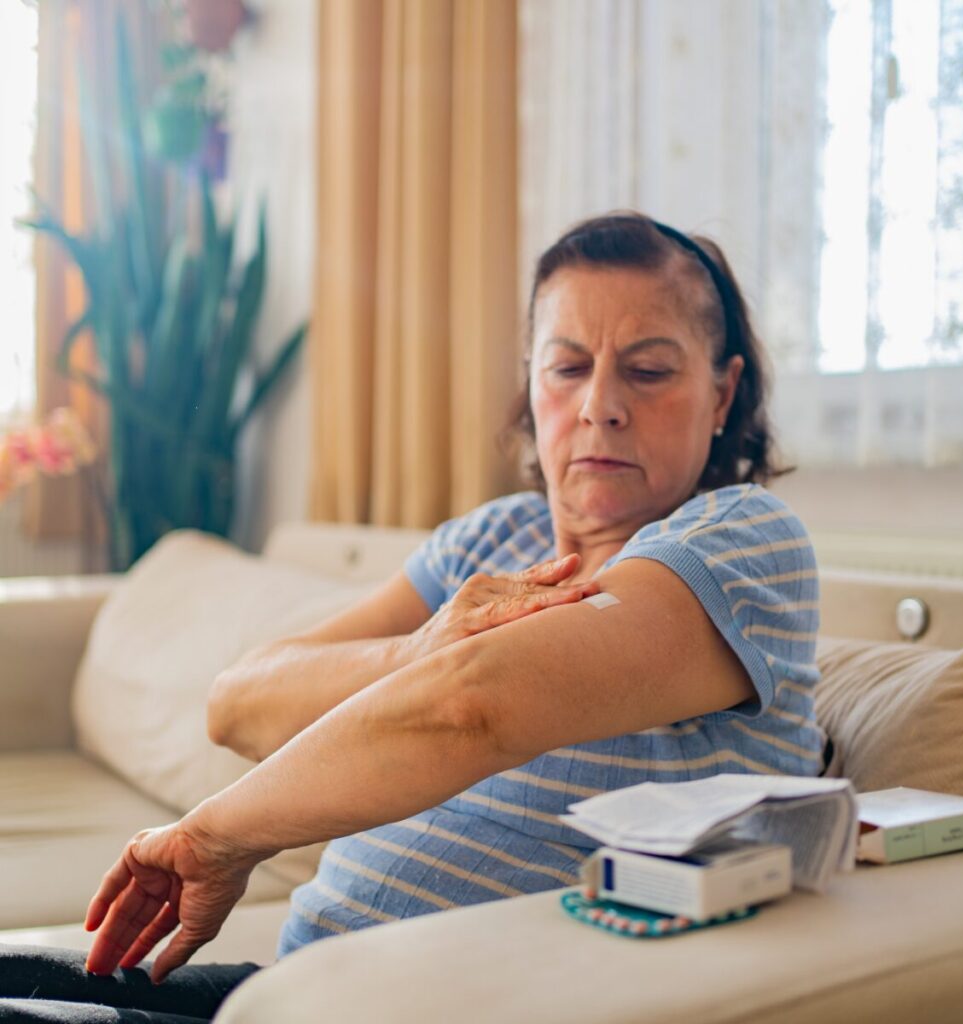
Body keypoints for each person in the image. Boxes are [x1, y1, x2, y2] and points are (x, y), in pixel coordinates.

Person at [0, 213, 824, 1022]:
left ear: (723, 393)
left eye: (647, 371)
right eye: (567, 366)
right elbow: (237, 704)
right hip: (292, 982)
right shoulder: (493, 537)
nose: (600, 405)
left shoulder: (742, 541)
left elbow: (474, 706)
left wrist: (217, 835)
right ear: (530, 383)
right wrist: (418, 650)